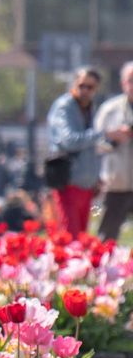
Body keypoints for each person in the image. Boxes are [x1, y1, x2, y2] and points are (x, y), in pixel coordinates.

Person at [46, 66, 124, 236]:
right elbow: (69, 140)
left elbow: (95, 146)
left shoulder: (91, 108)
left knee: (82, 234)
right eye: (82, 86)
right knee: (70, 233)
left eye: (90, 87)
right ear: (74, 84)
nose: (85, 91)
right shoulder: (64, 107)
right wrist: (103, 134)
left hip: (87, 184)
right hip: (68, 181)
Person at [95, 62, 133, 241]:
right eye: (131, 80)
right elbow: (95, 142)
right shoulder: (110, 110)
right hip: (117, 182)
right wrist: (115, 138)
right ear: (123, 83)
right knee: (108, 234)